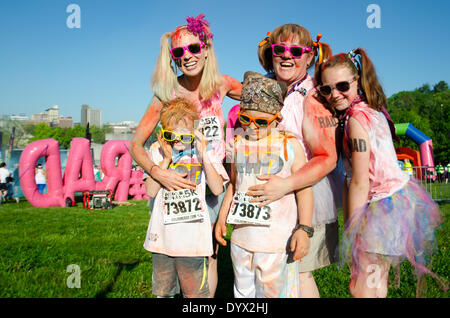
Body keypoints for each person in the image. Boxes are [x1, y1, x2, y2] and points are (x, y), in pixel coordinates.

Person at [314, 48, 445, 297]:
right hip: (396, 202)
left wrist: (352, 230)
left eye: (342, 86)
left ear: (357, 81)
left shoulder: (356, 121)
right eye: (326, 89)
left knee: (362, 287)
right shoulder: (372, 111)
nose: (334, 95)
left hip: (380, 206)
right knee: (375, 281)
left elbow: (360, 182)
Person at [129, 13, 241, 297]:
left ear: (206, 50)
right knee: (175, 254)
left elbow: (263, 99)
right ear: (173, 57)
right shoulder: (166, 93)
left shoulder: (222, 85)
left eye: (194, 48)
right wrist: (158, 172)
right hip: (177, 184)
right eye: (179, 52)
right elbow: (136, 145)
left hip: (214, 183)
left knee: (210, 254)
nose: (187, 56)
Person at [245, 24, 341, 297]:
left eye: (296, 51)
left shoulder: (312, 98)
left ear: (310, 57)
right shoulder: (268, 87)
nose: (287, 56)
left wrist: (285, 186)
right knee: (274, 270)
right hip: (273, 193)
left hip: (304, 193)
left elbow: (326, 158)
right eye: (280, 49)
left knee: (299, 272)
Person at [215, 71, 314, 298]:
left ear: (277, 119)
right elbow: (233, 184)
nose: (252, 127)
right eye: (245, 119)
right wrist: (222, 218)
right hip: (241, 241)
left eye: (261, 122)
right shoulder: (238, 143)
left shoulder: (289, 146)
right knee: (243, 293)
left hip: (276, 243)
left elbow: (304, 189)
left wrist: (304, 228)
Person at [143, 98, 228, 298]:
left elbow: (216, 189)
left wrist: (204, 155)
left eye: (186, 136)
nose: (178, 141)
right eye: (171, 135)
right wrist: (165, 160)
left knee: (195, 295)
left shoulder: (204, 152)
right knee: (164, 293)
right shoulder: (156, 150)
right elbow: (151, 191)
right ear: (162, 134)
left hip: (193, 241)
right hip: (162, 238)